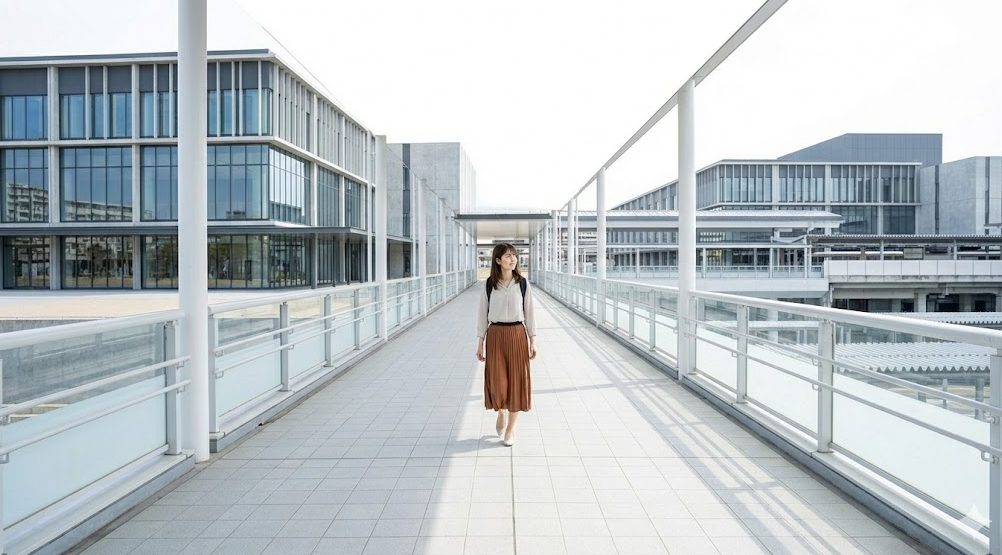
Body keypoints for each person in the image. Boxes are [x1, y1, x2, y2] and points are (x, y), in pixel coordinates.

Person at [476, 243, 537, 447]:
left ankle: (510, 430)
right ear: (498, 260)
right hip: (495, 336)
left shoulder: (523, 284)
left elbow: (529, 313)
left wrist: (533, 340)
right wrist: (480, 341)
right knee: (498, 382)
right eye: (508, 256)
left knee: (517, 384)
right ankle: (500, 411)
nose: (512, 259)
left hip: (517, 335)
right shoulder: (489, 285)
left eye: (514, 256)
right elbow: (481, 314)